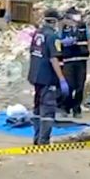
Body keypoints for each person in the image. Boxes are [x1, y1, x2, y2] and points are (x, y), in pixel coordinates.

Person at [27, 8, 69, 145]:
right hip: (47, 78)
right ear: (55, 21)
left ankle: (36, 138)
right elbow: (54, 59)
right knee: (48, 110)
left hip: (35, 76)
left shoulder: (37, 33)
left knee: (37, 108)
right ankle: (44, 140)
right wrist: (62, 79)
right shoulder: (53, 36)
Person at [59, 10, 90, 118]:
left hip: (81, 60)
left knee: (80, 86)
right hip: (68, 60)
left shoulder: (83, 27)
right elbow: (57, 41)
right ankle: (65, 107)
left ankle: (77, 109)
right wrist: (65, 42)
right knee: (69, 85)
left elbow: (89, 41)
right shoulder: (63, 28)